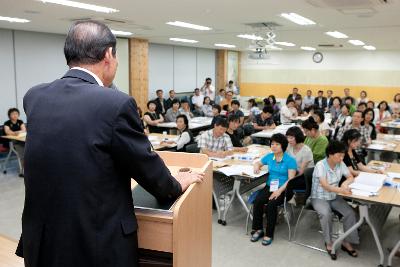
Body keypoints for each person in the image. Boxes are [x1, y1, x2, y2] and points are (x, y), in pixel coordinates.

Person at [16, 20, 203, 267]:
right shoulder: (116, 104)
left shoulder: (35, 96)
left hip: (42, 241)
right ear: (108, 55)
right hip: (94, 245)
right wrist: (175, 184)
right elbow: (145, 166)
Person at [310, 140, 358, 260]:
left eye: (343, 155)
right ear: (330, 154)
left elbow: (350, 177)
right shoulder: (320, 165)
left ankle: (346, 242)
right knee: (326, 214)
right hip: (319, 197)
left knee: (350, 213)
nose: (342, 158)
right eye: (339, 155)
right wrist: (341, 190)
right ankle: (329, 242)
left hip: (334, 196)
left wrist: (345, 184)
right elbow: (325, 186)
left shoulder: (340, 164)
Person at [251, 133, 297, 246]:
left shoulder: (290, 160)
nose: (274, 146)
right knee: (258, 201)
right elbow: (258, 163)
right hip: (270, 186)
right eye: (272, 144)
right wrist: (257, 166)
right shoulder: (270, 156)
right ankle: (258, 229)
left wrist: (279, 191)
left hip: (285, 189)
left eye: (277, 144)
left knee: (272, 204)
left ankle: (269, 234)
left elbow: (291, 180)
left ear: (283, 146)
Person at [285, 126, 314, 199]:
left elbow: (301, 172)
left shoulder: (306, 151)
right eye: (287, 137)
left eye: (291, 138)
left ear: (297, 137)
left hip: (304, 177)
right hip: (292, 172)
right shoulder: (289, 146)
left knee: (287, 183)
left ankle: (286, 200)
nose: (289, 140)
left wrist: (289, 177)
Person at [3, 108, 26, 177]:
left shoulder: (20, 121)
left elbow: (24, 130)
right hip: (12, 142)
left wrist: (17, 132)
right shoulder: (7, 123)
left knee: (30, 150)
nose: (15, 115)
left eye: (16, 114)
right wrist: (14, 133)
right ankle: (22, 171)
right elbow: (7, 132)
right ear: (9, 115)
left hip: (21, 140)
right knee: (22, 153)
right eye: (12, 114)